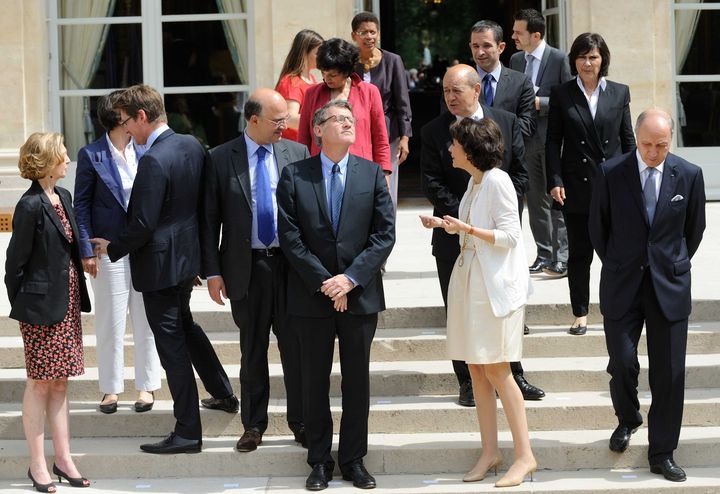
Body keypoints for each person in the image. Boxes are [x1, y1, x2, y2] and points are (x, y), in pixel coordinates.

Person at [90, 84, 235, 454]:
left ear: (142, 117)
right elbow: (203, 211)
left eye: (127, 122)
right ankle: (222, 392)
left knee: (171, 347)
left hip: (159, 267)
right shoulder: (191, 144)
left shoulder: (153, 159)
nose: (126, 131)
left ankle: (187, 431)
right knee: (185, 326)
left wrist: (113, 247)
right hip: (185, 262)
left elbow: (142, 224)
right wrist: (204, 258)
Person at [277, 100, 395, 491]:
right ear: (318, 129)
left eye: (350, 119)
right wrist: (327, 282)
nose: (348, 123)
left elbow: (383, 235)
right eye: (338, 119)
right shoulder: (294, 175)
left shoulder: (373, 173)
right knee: (313, 381)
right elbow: (291, 239)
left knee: (356, 381)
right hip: (311, 296)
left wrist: (350, 280)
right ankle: (319, 461)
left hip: (359, 296)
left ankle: (354, 459)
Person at [589, 108, 706, 482]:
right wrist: (624, 261)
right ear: (635, 138)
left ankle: (662, 452)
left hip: (669, 286)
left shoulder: (689, 175)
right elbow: (598, 228)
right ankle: (628, 418)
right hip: (623, 283)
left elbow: (694, 231)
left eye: (661, 145)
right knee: (622, 362)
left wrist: (666, 263)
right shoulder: (611, 173)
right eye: (646, 145)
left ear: (670, 140)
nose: (653, 152)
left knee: (670, 375)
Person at [420, 118, 536, 488]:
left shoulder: (498, 180)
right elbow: (472, 228)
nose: (449, 150)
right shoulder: (475, 182)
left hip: (494, 289)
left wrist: (466, 230)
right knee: (476, 369)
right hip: (472, 283)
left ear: (470, 150)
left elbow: (511, 236)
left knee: (499, 370)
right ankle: (490, 451)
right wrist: (445, 225)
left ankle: (524, 455)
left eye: (455, 145)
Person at [421, 64, 544, 407]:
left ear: (476, 90)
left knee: (503, 309)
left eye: (456, 91)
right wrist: (461, 214)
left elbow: (520, 172)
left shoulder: (503, 121)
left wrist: (496, 213)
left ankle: (514, 375)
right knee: (459, 314)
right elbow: (431, 180)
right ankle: (467, 382)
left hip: (495, 240)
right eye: (445, 91)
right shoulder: (434, 131)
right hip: (452, 237)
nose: (450, 97)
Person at [200, 88, 310, 452]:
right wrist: (213, 272)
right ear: (253, 120)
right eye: (277, 120)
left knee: (295, 349)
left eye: (286, 119)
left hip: (291, 268)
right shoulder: (219, 158)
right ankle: (253, 425)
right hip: (246, 268)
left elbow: (308, 217)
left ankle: (301, 422)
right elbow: (209, 220)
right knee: (252, 349)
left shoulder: (297, 153)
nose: (284, 126)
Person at [5, 132, 91, 492]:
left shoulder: (63, 197)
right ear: (47, 161)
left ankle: (64, 458)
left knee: (60, 382)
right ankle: (37, 465)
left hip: (67, 303)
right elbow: (14, 265)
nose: (68, 160)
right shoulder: (29, 206)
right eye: (63, 154)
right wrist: (26, 308)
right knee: (40, 383)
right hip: (40, 309)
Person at [74, 90, 161, 415]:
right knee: (111, 320)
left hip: (143, 247)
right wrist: (84, 250)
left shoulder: (146, 149)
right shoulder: (91, 154)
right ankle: (110, 390)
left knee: (145, 319)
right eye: (127, 114)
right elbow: (80, 204)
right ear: (117, 119)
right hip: (106, 250)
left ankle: (146, 385)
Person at [546, 32, 636, 335]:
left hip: (613, 186)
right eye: (582, 56)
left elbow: (627, 142)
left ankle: (618, 310)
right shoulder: (562, 93)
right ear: (574, 60)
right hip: (576, 186)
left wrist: (635, 183)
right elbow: (552, 142)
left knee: (615, 255)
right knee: (579, 254)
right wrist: (554, 179)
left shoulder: (620, 93)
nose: (587, 62)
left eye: (593, 57)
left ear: (603, 60)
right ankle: (580, 313)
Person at [509, 9, 572, 277]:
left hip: (552, 141)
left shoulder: (559, 59)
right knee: (535, 201)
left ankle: (563, 257)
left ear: (535, 35)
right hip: (526, 141)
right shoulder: (514, 60)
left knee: (556, 199)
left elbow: (569, 99)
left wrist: (540, 103)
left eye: (517, 32)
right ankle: (544, 255)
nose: (513, 36)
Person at [297, 38, 392, 184]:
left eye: (333, 75)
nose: (326, 78)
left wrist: (384, 173)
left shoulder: (369, 92)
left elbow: (380, 139)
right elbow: (303, 139)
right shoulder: (312, 94)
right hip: (319, 173)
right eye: (323, 72)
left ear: (347, 71)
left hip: (361, 170)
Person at [351, 11, 412, 210]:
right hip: (357, 134)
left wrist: (405, 137)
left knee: (387, 186)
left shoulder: (393, 61)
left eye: (372, 32)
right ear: (354, 36)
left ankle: (386, 233)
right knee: (360, 185)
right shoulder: (349, 62)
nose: (369, 37)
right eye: (363, 32)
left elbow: (402, 101)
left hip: (388, 133)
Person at [469, 20, 536, 142]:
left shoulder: (521, 83)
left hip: (508, 157)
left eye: (486, 46)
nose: (480, 52)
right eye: (475, 46)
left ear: (501, 47)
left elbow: (528, 125)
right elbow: (450, 123)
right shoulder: (460, 82)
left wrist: (488, 134)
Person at [275, 29, 324, 142]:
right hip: (295, 147)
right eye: (318, 53)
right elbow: (289, 119)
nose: (322, 57)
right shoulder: (292, 82)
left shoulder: (310, 78)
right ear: (304, 53)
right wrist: (324, 122)